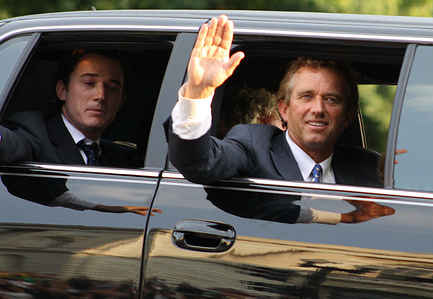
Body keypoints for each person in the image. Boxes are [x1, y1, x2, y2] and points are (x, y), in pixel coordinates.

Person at [166, 15, 380, 187]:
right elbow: (198, 162)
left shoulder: (367, 167)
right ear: (284, 109)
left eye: (331, 99)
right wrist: (197, 92)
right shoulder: (253, 146)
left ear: (348, 117)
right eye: (306, 96)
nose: (318, 109)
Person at [0, 49, 155, 214]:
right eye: (89, 83)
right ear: (62, 90)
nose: (101, 95)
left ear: (121, 101)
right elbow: (9, 143)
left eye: (111, 88)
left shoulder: (117, 157)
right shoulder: (33, 130)